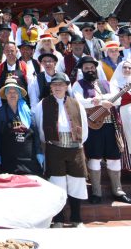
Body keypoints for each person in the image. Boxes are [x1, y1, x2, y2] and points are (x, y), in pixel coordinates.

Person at [71, 56, 131, 205]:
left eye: (91, 67)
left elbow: (117, 99)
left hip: (110, 124)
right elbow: (79, 101)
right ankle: (96, 192)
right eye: (86, 68)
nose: (89, 70)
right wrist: (101, 101)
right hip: (93, 127)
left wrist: (105, 100)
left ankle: (118, 190)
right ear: (82, 70)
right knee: (94, 158)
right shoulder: (78, 85)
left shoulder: (107, 83)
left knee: (114, 157)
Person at [33, 73, 88, 228]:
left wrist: (78, 142)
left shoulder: (76, 104)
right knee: (57, 184)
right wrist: (48, 144)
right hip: (54, 148)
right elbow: (39, 126)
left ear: (66, 87)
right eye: (54, 85)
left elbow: (83, 126)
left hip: (75, 148)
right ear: (50, 87)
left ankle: (77, 219)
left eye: (60, 85)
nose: (57, 88)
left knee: (76, 183)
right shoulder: (42, 104)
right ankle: (58, 219)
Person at [0, 77, 43, 176]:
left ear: (19, 94)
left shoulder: (27, 111)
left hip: (29, 158)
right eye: (9, 92)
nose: (12, 94)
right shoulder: (0, 112)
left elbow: (35, 133)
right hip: (9, 159)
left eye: (14, 92)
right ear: (5, 95)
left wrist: (39, 152)